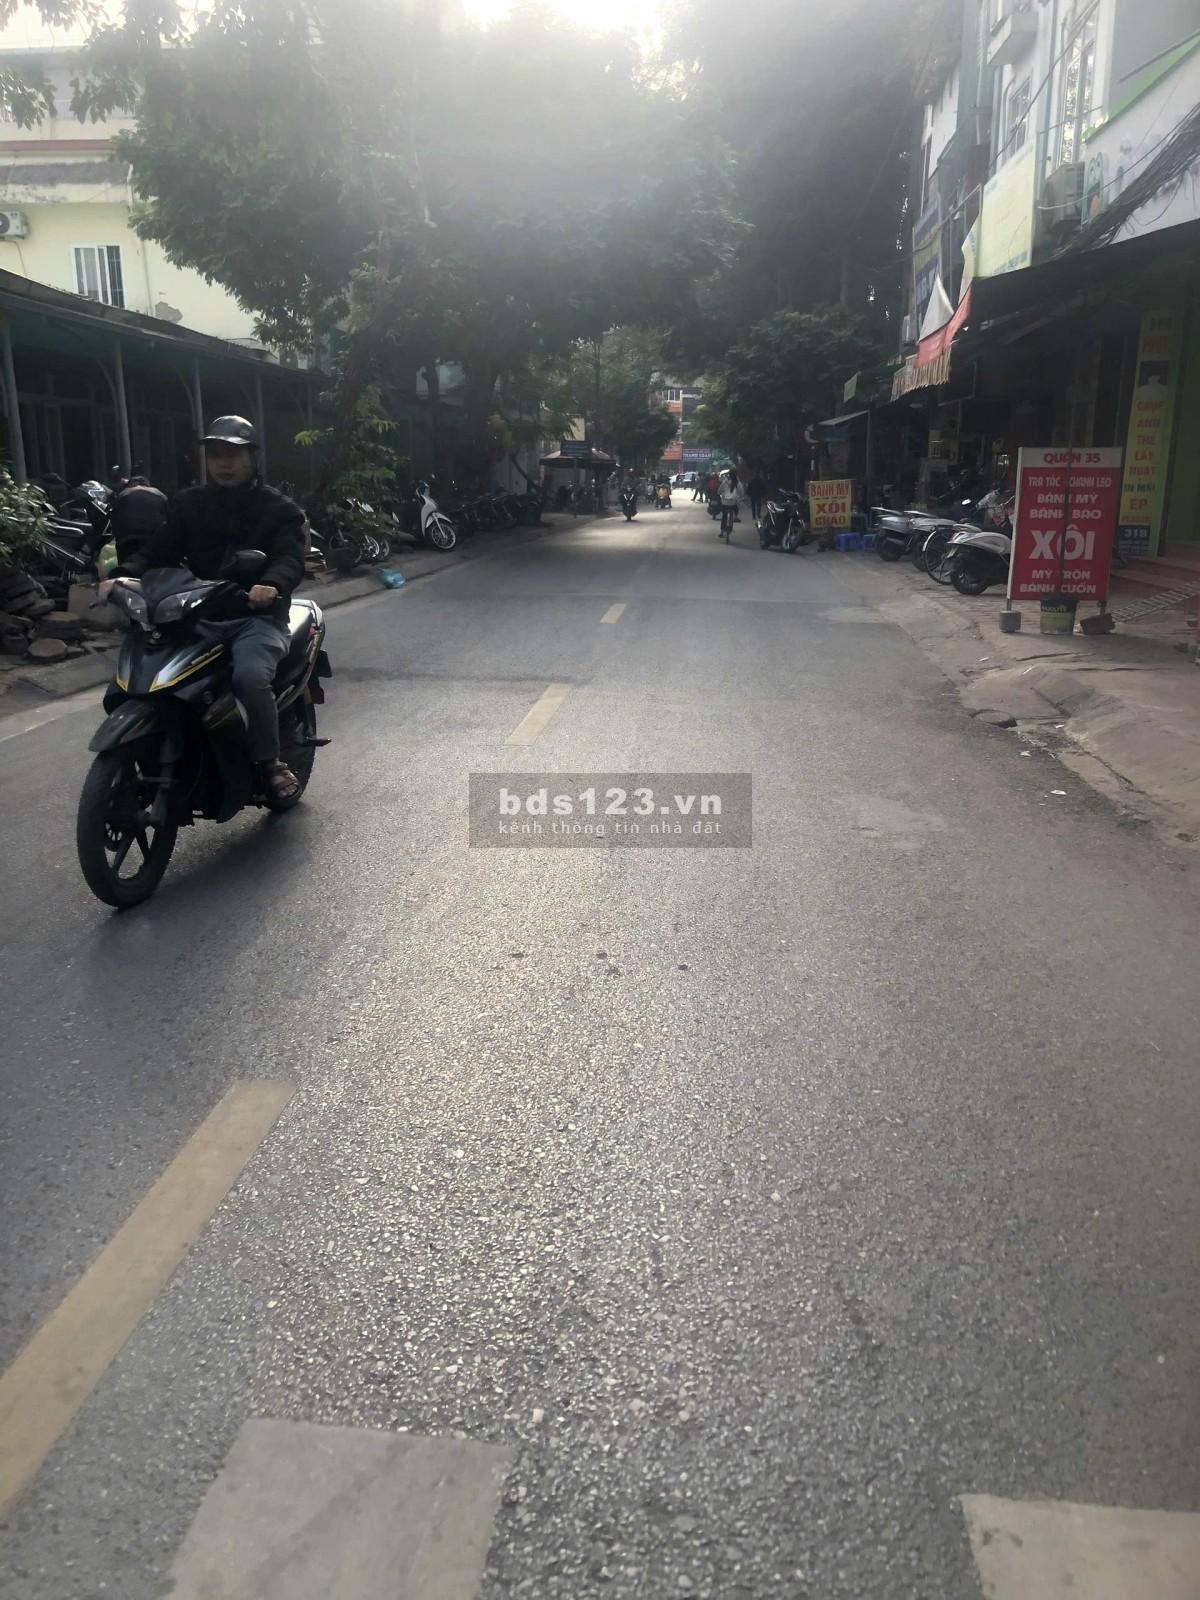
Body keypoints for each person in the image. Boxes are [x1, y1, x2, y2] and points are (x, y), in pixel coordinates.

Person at [99, 416, 307, 804]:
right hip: (197, 612)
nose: (223, 463)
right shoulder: (188, 504)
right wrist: (122, 576)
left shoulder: (279, 510)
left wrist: (272, 584)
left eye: (233, 454)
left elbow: (289, 558)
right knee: (141, 675)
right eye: (215, 455)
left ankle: (270, 762)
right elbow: (158, 551)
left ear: (253, 458)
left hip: (255, 617)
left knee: (249, 677)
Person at [717, 468, 741, 541]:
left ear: (729, 474)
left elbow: (720, 490)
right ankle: (736, 516)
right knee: (737, 503)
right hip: (733, 503)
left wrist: (719, 493)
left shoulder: (725, 482)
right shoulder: (737, 482)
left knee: (724, 516)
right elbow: (741, 491)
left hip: (725, 502)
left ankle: (722, 532)